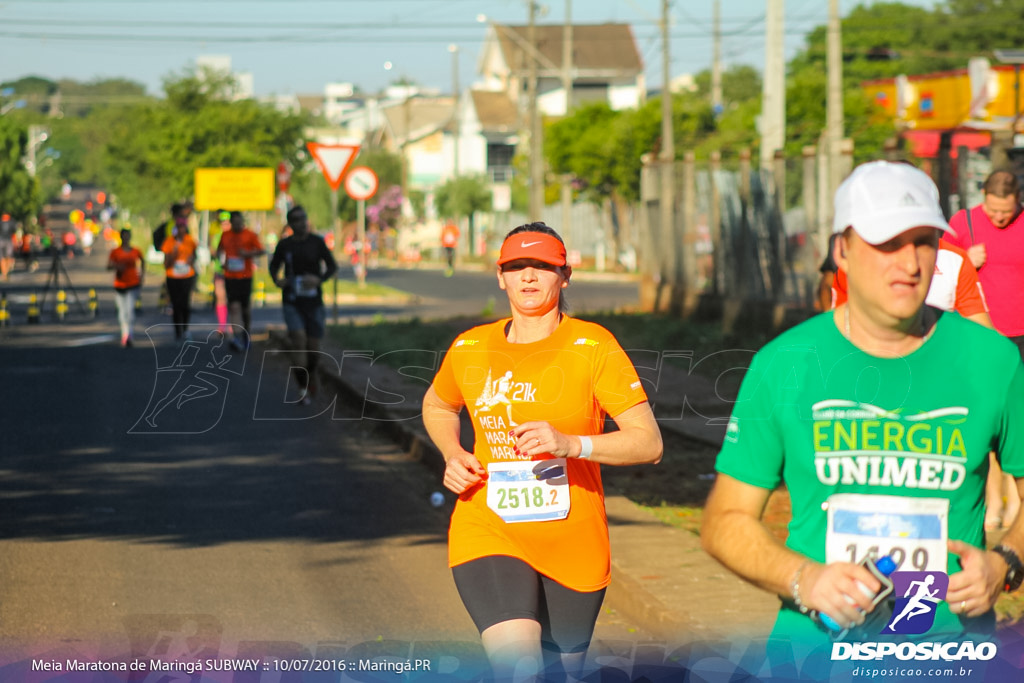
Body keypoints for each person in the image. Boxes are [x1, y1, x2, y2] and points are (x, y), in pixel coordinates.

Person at [701, 161, 1024, 656]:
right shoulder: (785, 364)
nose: (911, 263)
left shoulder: (992, 360)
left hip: (946, 652)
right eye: (887, 243)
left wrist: (1004, 563)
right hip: (816, 651)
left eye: (924, 241)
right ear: (841, 251)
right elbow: (725, 519)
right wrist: (803, 578)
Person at [422, 222, 663, 681]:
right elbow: (437, 403)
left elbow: (649, 442)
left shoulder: (592, 346)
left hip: (572, 536)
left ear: (564, 276)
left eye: (541, 267)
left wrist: (571, 444)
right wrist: (452, 452)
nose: (528, 277)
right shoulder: (471, 347)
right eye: (516, 266)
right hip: (488, 525)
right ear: (500, 276)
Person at [268, 205, 337, 406]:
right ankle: (302, 388)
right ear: (290, 223)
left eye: (303, 218)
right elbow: (274, 266)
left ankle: (312, 373)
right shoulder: (285, 245)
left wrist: (318, 279)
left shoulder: (317, 242)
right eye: (296, 219)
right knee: (298, 340)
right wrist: (277, 280)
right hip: (292, 300)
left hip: (313, 301)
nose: (301, 222)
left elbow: (332, 266)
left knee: (313, 347)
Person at [215, 210, 265, 351]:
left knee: (245, 308)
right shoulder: (225, 235)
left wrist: (248, 254)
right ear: (231, 223)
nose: (237, 225)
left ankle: (246, 333)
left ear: (242, 222)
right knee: (234, 307)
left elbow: (261, 250)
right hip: (230, 276)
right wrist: (221, 261)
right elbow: (219, 250)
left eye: (239, 222)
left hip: (245, 276)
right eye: (234, 223)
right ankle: (236, 338)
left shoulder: (250, 235)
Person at [161, 209, 198, 342]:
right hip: (173, 276)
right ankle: (178, 332)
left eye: (183, 227)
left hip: (187, 276)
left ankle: (186, 330)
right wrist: (173, 254)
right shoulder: (169, 242)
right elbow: (165, 263)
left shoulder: (190, 241)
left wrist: (191, 260)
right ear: (176, 228)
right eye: (179, 227)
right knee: (176, 304)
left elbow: (195, 256)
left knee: (185, 303)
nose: (181, 230)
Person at [107, 228, 145, 347]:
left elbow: (143, 261)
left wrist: (142, 275)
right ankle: (125, 334)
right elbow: (108, 266)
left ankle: (129, 334)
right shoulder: (115, 252)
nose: (126, 238)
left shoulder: (135, 251)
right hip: (120, 284)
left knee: (130, 310)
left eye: (128, 236)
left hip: (133, 283)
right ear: (121, 237)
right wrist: (117, 266)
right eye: (124, 236)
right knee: (122, 311)